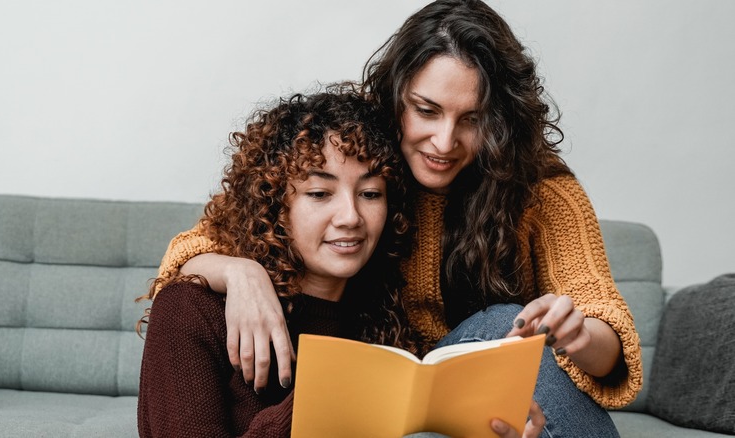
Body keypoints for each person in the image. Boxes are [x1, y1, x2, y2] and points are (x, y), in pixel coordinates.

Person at [151, 1, 642, 436]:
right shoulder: (366, 155)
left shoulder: (542, 191)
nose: (444, 142)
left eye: (472, 119)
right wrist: (241, 271)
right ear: (397, 96)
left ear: (502, 120)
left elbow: (607, 331)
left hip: (465, 388)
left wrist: (576, 335)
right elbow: (199, 249)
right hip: (388, 381)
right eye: (427, 110)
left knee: (501, 325)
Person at [136, 88, 542, 437]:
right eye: (319, 194)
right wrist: (331, 392)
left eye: (370, 194)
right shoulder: (192, 311)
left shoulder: (383, 323)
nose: (350, 216)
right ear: (275, 203)